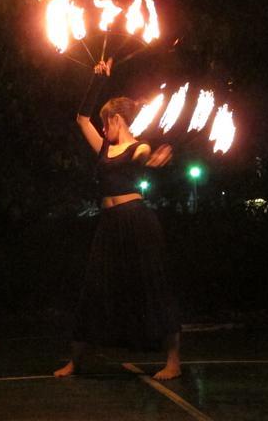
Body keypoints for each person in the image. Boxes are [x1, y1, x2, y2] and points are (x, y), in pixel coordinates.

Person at [54, 58, 182, 381]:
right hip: (109, 224)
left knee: (152, 285)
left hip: (136, 222)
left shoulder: (138, 146)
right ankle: (76, 361)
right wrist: (98, 79)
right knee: (93, 287)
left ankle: (173, 361)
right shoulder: (103, 148)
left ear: (116, 119)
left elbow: (142, 155)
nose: (102, 128)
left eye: (106, 123)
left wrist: (149, 159)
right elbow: (81, 118)